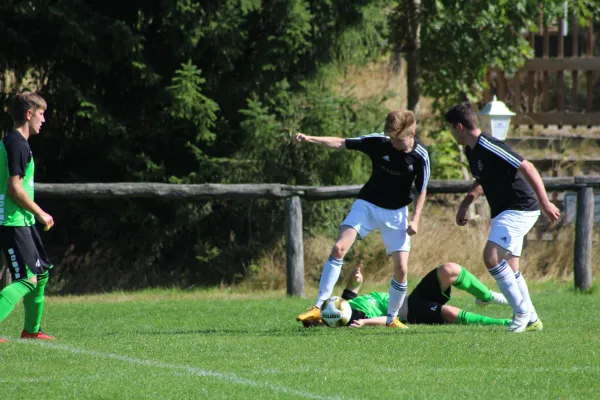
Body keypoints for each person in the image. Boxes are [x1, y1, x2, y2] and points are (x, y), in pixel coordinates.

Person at [295, 110, 430, 328]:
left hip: (396, 213)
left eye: (398, 139)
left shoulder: (421, 156)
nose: (393, 143)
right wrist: (310, 138)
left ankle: (391, 318)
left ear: (412, 133)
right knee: (339, 248)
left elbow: (422, 189)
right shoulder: (379, 142)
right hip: (367, 205)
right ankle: (317, 308)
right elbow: (341, 143)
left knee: (402, 269)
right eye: (391, 138)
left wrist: (415, 219)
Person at [444, 102, 560, 333]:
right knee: (511, 268)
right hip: (504, 211)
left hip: (519, 208)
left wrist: (545, 201)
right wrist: (466, 202)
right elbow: (484, 179)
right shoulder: (471, 150)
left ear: (459, 126)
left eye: (450, 129)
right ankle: (532, 319)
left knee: (491, 256)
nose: (450, 133)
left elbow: (527, 167)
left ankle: (520, 312)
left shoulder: (489, 144)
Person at [298, 262, 511, 328]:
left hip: (413, 298)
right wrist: (366, 323)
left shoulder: (344, 304)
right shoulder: (351, 317)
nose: (334, 301)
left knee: (449, 269)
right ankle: (505, 323)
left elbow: (353, 287)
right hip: (412, 312)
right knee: (450, 313)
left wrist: (356, 277)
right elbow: (390, 319)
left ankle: (486, 296)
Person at [0, 92, 55, 342]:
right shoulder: (17, 144)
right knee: (28, 279)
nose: (43, 119)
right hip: (13, 220)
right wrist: (41, 213)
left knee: (40, 274)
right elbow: (15, 188)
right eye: (41, 114)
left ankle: (31, 330)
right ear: (28, 114)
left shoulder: (14, 142)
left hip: (23, 220)